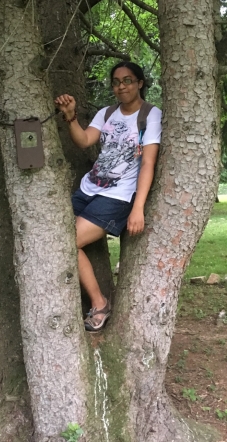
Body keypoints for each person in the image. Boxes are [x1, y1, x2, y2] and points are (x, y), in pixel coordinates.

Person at [55, 62, 162, 332]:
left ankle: (100, 303)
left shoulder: (150, 115)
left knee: (69, 242)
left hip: (118, 197)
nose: (121, 86)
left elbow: (148, 163)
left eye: (127, 80)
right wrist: (70, 116)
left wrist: (137, 209)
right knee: (54, 236)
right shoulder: (107, 113)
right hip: (88, 189)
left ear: (139, 83)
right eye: (116, 82)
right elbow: (84, 140)